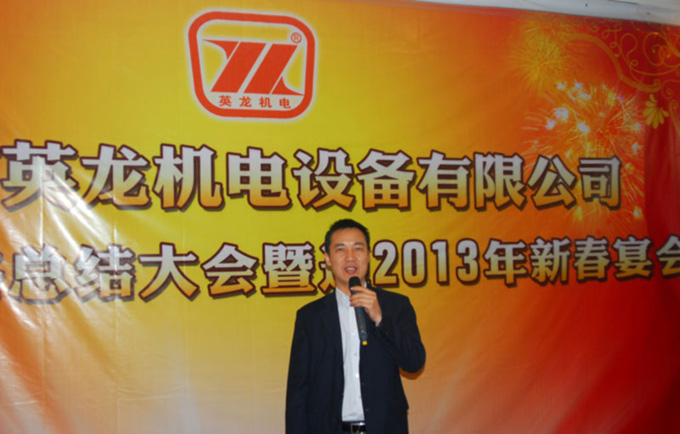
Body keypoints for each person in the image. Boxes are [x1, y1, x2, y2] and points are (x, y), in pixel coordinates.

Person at [286, 219, 426, 434]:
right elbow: (298, 390)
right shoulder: (310, 317)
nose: (350, 257)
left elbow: (414, 362)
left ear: (368, 255)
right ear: (327, 258)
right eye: (341, 249)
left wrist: (380, 318)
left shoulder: (396, 305)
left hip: (385, 428)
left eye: (358, 248)